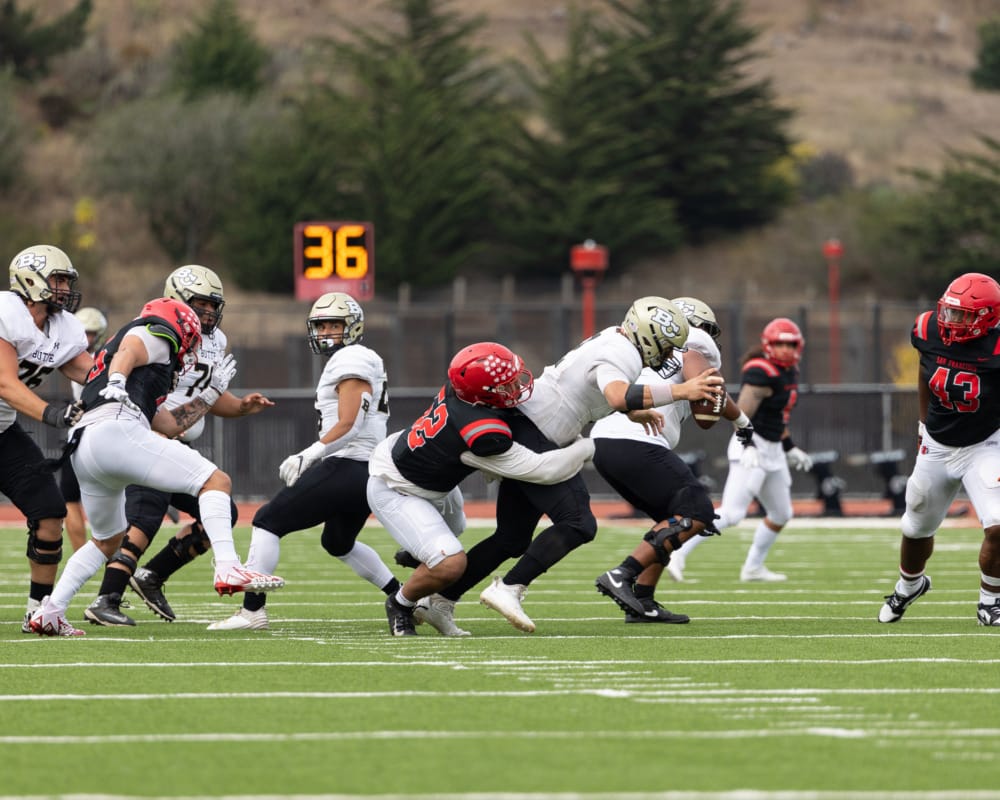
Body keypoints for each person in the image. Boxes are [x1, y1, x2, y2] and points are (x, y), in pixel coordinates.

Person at [428, 296, 725, 634]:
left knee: (512, 538)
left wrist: (634, 411)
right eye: (666, 346)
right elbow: (616, 393)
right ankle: (509, 588)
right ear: (649, 337)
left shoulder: (616, 340)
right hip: (538, 432)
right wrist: (681, 390)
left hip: (536, 427)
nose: (670, 355)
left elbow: (600, 390)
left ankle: (437, 600)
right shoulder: (623, 351)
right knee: (578, 522)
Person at [28, 297, 284, 637]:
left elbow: (168, 424)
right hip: (116, 430)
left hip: (85, 446)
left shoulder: (136, 368)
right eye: (190, 341)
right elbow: (130, 349)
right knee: (216, 481)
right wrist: (117, 380)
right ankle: (228, 567)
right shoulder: (156, 332)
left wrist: (210, 395)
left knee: (107, 539)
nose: (189, 352)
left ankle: (51, 611)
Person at [82, 265, 274, 626]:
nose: (208, 312)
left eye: (213, 305)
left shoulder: (215, 341)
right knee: (144, 519)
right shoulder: (159, 330)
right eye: (201, 303)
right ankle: (107, 597)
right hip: (146, 434)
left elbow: (205, 395)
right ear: (177, 301)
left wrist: (240, 406)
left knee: (222, 512)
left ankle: (152, 575)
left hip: (178, 440)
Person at [368, 341, 597, 636]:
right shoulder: (481, 432)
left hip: (429, 479)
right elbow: (544, 471)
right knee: (450, 563)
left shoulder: (464, 393)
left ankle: (422, 563)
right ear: (484, 394)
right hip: (398, 489)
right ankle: (400, 604)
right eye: (506, 385)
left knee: (461, 531)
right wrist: (589, 446)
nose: (517, 386)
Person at [208, 292, 401, 631]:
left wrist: (310, 453)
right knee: (337, 542)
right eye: (321, 326)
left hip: (348, 463)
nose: (326, 332)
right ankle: (403, 596)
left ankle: (252, 611)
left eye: (334, 325)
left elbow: (351, 423)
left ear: (353, 327)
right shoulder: (357, 358)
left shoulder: (351, 357)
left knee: (267, 521)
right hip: (365, 471)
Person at [590, 297, 755, 622]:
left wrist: (741, 421)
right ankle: (622, 574)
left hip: (604, 441)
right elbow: (707, 403)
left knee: (671, 519)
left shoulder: (642, 351)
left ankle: (643, 601)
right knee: (697, 511)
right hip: (635, 440)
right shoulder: (694, 348)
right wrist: (737, 419)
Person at [878, 273, 1000, 627]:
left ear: (987, 318)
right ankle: (909, 586)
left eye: (962, 315)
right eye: (949, 311)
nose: (950, 321)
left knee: (997, 525)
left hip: (985, 443)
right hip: (937, 441)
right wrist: (922, 425)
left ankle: (990, 601)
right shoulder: (927, 329)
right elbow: (925, 371)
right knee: (915, 526)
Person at [668, 316, 812, 583]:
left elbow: (777, 418)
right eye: (780, 344)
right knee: (732, 513)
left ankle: (753, 568)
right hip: (751, 446)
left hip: (773, 450)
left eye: (791, 344)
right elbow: (741, 415)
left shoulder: (790, 371)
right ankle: (677, 552)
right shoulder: (761, 371)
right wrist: (749, 444)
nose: (786, 350)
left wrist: (789, 447)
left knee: (781, 513)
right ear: (769, 345)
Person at [3, 245, 94, 635]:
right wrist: (52, 413)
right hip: (10, 418)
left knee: (50, 512)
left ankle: (40, 613)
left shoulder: (62, 327)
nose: (64, 289)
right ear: (29, 279)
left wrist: (129, 380)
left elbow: (92, 373)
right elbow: (5, 384)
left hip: (2, 431)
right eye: (58, 280)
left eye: (66, 282)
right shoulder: (7, 312)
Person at [60, 306, 109, 553]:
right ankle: (82, 556)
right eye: (84, 333)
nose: (87, 338)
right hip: (85, 430)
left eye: (91, 333)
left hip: (91, 430)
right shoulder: (105, 356)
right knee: (69, 498)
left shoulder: (91, 358)